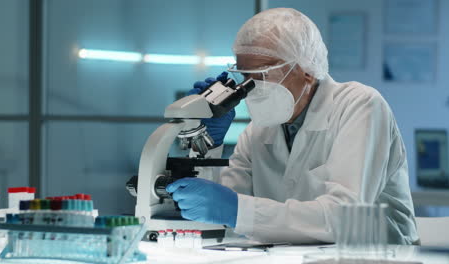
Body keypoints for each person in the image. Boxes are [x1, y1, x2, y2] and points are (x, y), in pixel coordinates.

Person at [166, 8, 419, 244]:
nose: (249, 87)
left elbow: (344, 217)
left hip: (378, 255)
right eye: (244, 76)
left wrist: (238, 211)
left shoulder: (360, 105)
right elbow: (219, 214)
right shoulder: (259, 130)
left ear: (306, 70)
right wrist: (210, 145)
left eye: (262, 74)